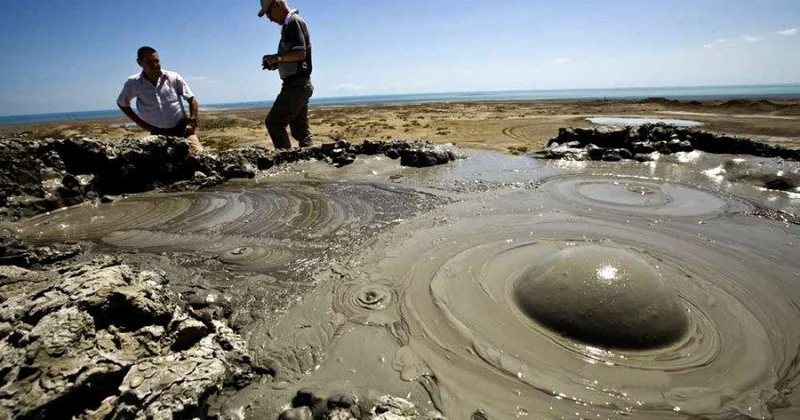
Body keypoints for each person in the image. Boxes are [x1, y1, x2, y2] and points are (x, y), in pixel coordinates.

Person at [117, 46, 204, 152]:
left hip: (182, 130)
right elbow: (122, 103)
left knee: (199, 155)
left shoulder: (173, 77)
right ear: (139, 63)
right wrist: (141, 123)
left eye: (156, 60)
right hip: (157, 134)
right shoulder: (134, 83)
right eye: (149, 62)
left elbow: (192, 100)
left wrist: (192, 122)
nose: (154, 64)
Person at [259, 0, 314, 149]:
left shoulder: (293, 22)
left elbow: (300, 53)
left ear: (277, 4)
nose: (269, 18)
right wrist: (277, 62)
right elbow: (294, 56)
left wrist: (277, 58)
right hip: (300, 84)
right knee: (301, 132)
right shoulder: (289, 25)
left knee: (274, 123)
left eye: (268, 13)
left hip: (296, 85)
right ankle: (312, 161)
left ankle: (286, 162)